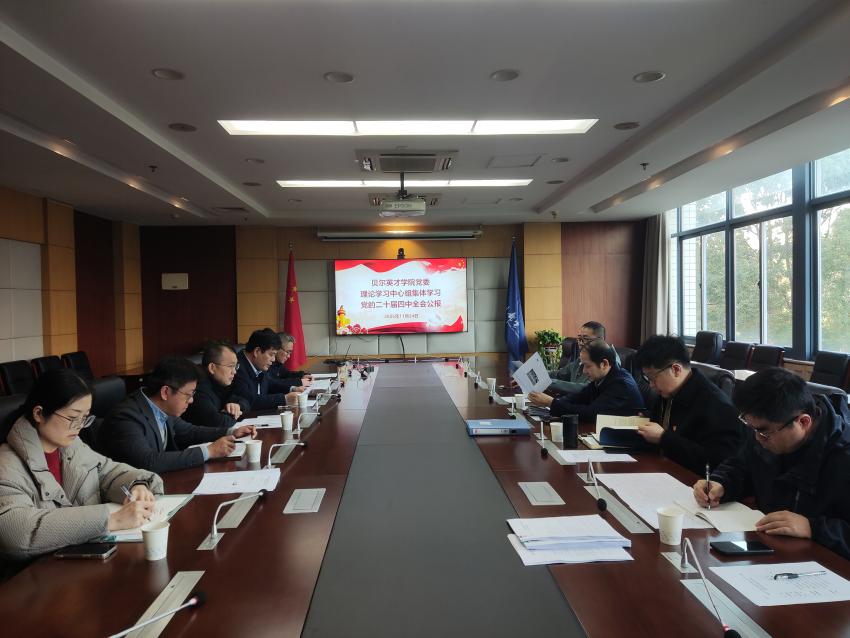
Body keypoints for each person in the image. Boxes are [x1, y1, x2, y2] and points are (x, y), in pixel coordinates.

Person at [0, 370, 163, 569]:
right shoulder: (6, 465)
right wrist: (110, 521)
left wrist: (137, 485)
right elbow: (17, 531)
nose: (79, 427)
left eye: (85, 418)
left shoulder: (72, 446)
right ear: (39, 413)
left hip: (85, 563)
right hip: (39, 575)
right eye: (72, 417)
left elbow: (109, 472)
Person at [693, 368, 850, 559]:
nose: (758, 438)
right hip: (767, 549)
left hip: (822, 564)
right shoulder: (768, 431)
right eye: (752, 428)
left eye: (764, 433)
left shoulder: (843, 457)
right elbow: (742, 466)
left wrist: (812, 527)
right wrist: (721, 483)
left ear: (803, 422)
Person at [101, 357, 255, 474]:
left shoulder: (161, 407)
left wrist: (231, 432)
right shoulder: (126, 417)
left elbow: (189, 431)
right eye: (188, 394)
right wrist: (208, 451)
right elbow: (148, 461)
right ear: (165, 392)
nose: (191, 400)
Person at [632, 335, 743, 474]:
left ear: (676, 369)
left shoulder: (716, 405)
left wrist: (663, 438)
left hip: (693, 480)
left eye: (653, 378)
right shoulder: (667, 392)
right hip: (661, 468)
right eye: (647, 379)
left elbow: (717, 461)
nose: (651, 385)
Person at [529, 340, 644, 421]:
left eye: (587, 366)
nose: (584, 371)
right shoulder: (603, 377)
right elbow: (578, 398)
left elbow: (591, 414)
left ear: (604, 364)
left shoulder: (621, 384)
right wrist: (554, 402)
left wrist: (551, 403)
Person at [183, 341, 250, 429]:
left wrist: (237, 406)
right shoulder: (198, 388)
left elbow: (245, 400)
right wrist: (233, 413)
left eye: (235, 366)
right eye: (230, 366)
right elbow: (218, 423)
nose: (234, 371)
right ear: (212, 368)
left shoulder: (222, 382)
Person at [232, 329, 299, 411]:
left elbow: (270, 383)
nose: (273, 359)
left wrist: (292, 389)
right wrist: (284, 399)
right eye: (271, 354)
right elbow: (248, 400)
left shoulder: (258, 364)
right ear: (257, 351)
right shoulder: (236, 367)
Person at [548, 321, 611, 395]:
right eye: (579, 339)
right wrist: (540, 374)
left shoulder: (606, 362)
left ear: (601, 340)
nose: (580, 343)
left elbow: (587, 389)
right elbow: (559, 374)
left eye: (585, 339)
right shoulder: (583, 357)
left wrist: (549, 383)